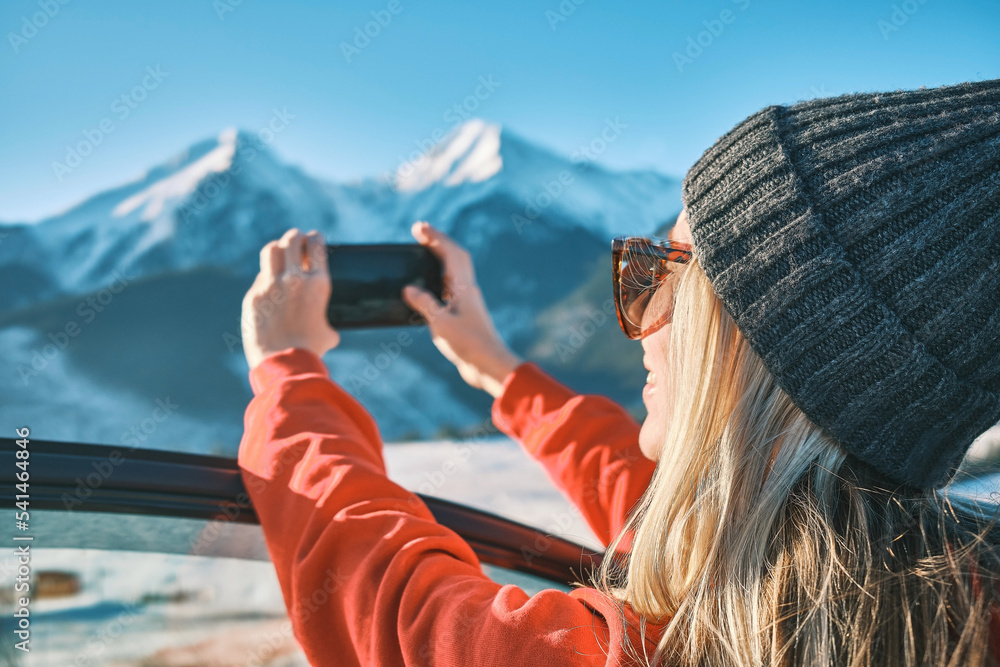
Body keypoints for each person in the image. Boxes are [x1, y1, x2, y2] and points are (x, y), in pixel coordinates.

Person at [238, 77, 1000, 666]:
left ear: (764, 347)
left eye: (668, 272)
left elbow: (401, 611)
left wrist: (287, 370)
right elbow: (684, 514)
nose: (640, 314)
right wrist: (501, 372)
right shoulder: (957, 596)